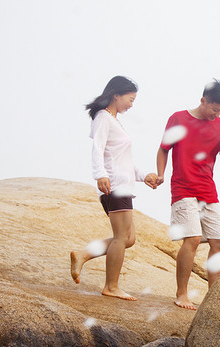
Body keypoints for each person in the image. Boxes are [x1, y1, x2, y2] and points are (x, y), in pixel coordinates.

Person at [156, 79, 220, 310]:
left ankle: (213, 298)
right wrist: (160, 174)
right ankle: (182, 294)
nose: (216, 114)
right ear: (203, 101)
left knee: (219, 242)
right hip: (183, 188)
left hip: (207, 190)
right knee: (193, 239)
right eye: (214, 109)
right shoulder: (178, 119)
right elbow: (163, 149)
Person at [71, 75, 159, 300]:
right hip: (115, 185)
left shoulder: (114, 120)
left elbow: (123, 159)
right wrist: (99, 174)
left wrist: (143, 176)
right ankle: (111, 286)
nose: (132, 104)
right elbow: (98, 148)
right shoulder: (103, 117)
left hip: (124, 184)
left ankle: (83, 254)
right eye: (130, 99)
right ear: (116, 95)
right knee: (121, 238)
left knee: (128, 239)